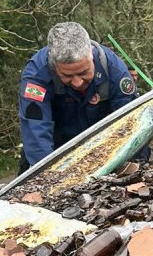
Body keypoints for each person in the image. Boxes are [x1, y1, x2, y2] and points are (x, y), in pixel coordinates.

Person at [18, 22, 138, 172]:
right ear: (54, 65)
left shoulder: (115, 72)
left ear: (91, 56)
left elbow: (132, 126)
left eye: (83, 72)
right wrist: (47, 176)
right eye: (67, 75)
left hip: (104, 149)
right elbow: (36, 132)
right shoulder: (36, 77)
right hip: (55, 150)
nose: (77, 82)